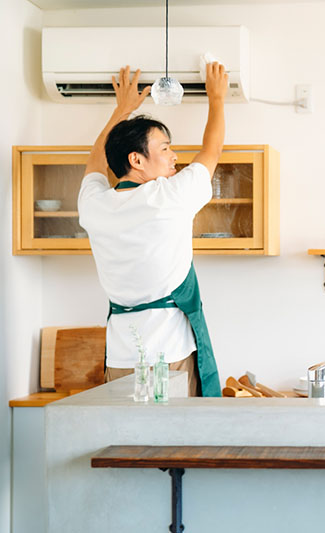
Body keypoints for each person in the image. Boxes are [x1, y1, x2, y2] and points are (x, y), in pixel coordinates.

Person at [78, 64, 228, 397]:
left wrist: (122, 110)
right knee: (175, 443)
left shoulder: (93, 205)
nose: (174, 157)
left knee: (125, 442)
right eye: (164, 149)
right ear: (137, 159)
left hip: (120, 357)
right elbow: (212, 151)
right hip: (169, 356)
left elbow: (94, 162)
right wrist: (217, 98)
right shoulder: (168, 197)